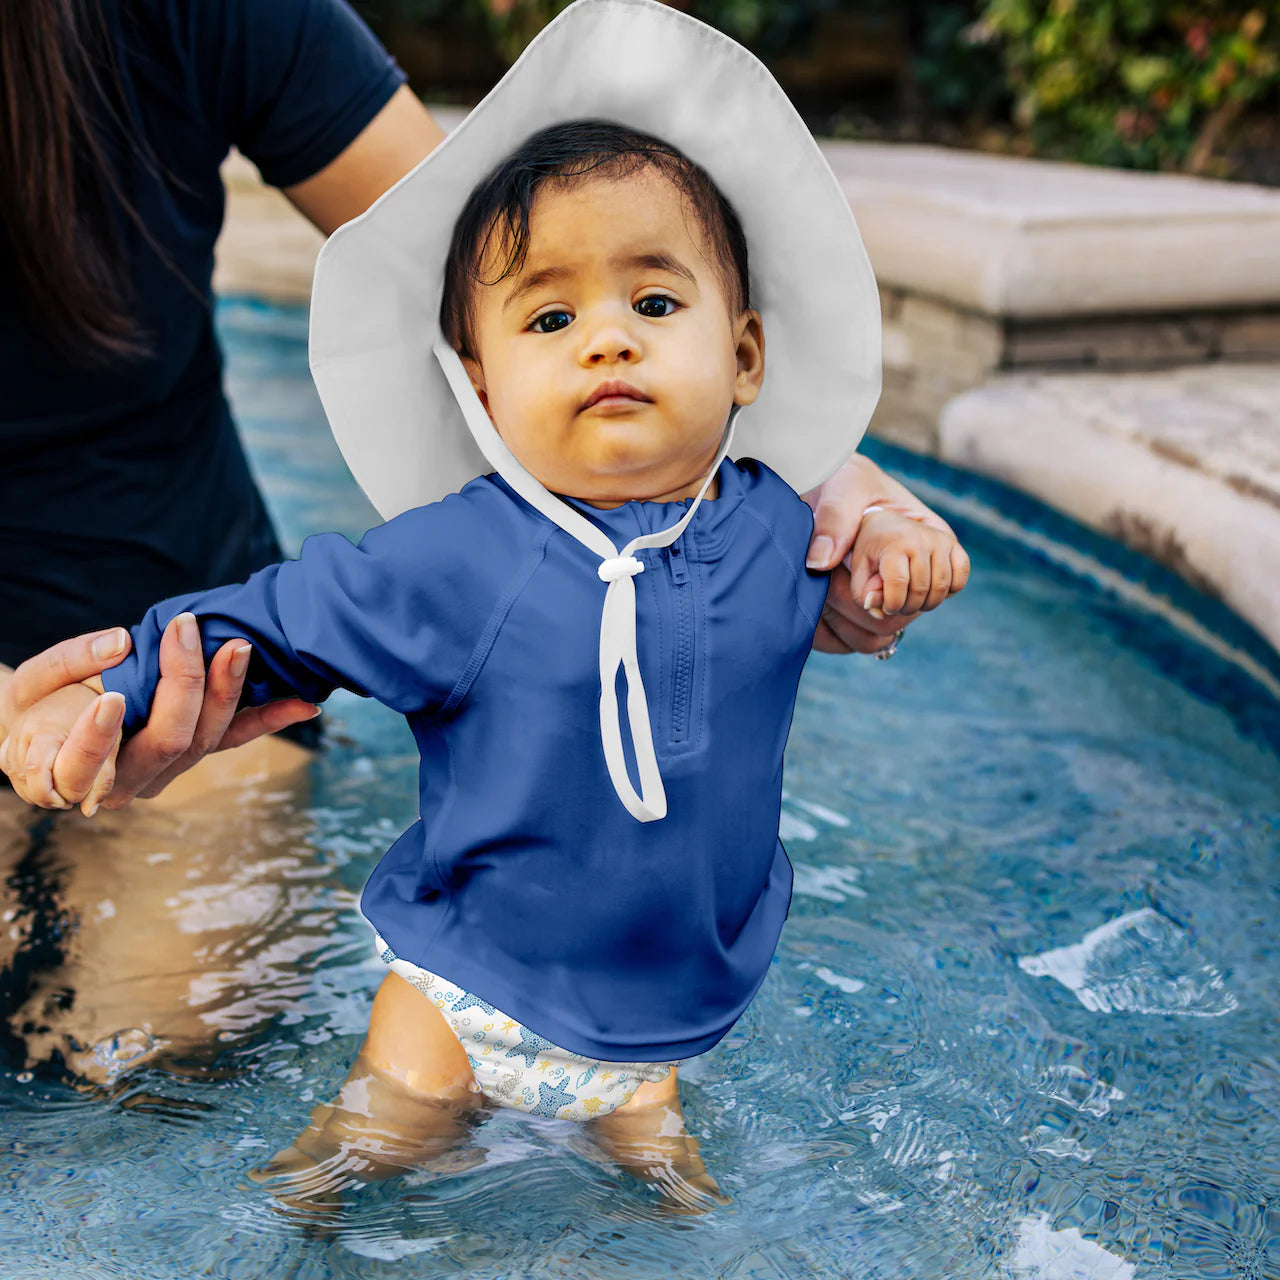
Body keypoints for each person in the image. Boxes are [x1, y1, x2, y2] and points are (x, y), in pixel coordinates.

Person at [11, 0, 969, 1209]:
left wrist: (883, 546)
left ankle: (630, 1121)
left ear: (744, 355)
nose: (606, 339)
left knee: (666, 1173)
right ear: (478, 384)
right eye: (551, 318)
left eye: (654, 304)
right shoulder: (459, 556)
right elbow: (280, 617)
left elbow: (857, 577)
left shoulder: (781, 530)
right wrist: (119, 682)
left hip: (656, 986)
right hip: (458, 981)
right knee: (353, 1141)